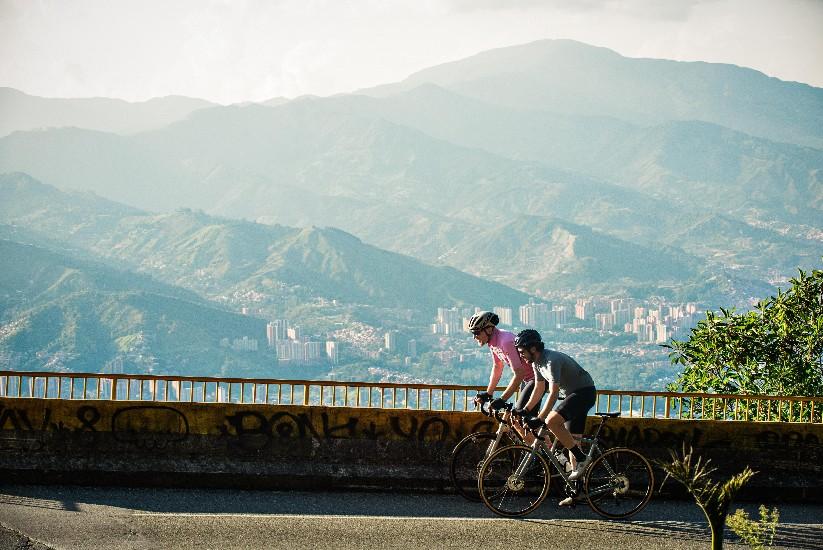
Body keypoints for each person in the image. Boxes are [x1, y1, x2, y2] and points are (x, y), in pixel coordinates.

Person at [513, 329, 597, 504]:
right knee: (572, 441)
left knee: (552, 421)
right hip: (573, 395)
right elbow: (538, 388)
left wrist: (541, 417)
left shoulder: (550, 361)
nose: (521, 357)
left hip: (583, 393)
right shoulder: (537, 363)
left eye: (522, 352)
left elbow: (552, 393)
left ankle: (583, 458)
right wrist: (525, 411)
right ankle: (577, 492)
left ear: (533, 348)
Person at [467, 311, 537, 422]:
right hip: (527, 380)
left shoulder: (505, 341)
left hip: (537, 379)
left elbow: (519, 374)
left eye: (477, 332)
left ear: (489, 329)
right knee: (521, 423)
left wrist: (502, 399)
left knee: (521, 419)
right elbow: (497, 367)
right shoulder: (493, 342)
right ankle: (541, 438)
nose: (474, 337)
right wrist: (488, 393)